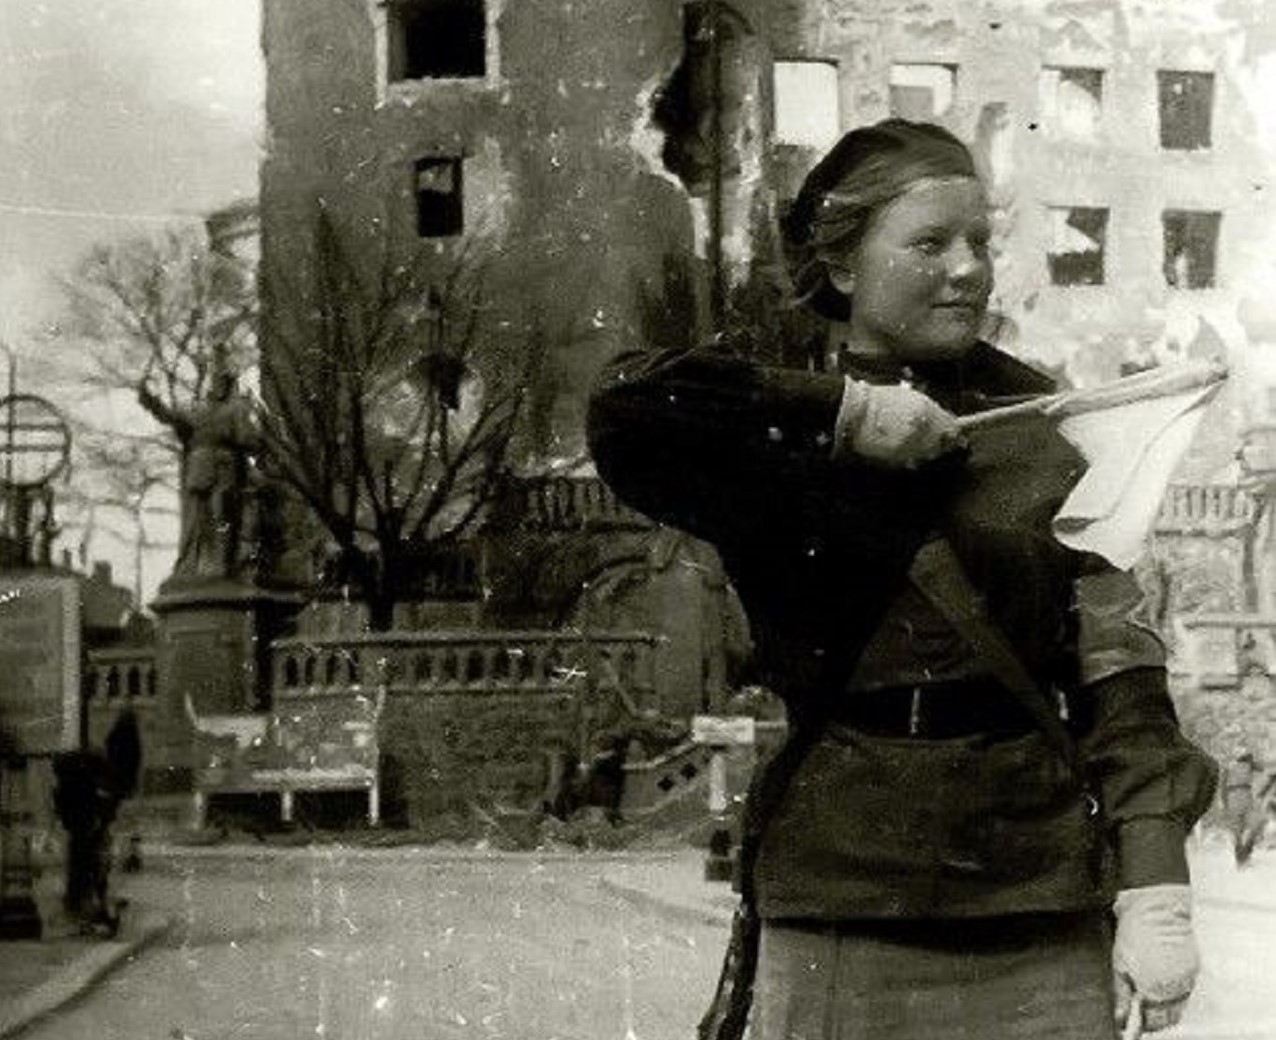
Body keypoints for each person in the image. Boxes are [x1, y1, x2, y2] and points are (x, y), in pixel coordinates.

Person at [586, 119, 1218, 1039]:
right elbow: (621, 406)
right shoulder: (773, 433)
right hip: (844, 899)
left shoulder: (1049, 429)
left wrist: (1156, 885)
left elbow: (1117, 668)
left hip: (1036, 903)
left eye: (980, 243)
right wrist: (842, 414)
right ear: (843, 269)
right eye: (930, 243)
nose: (968, 269)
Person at [138, 362, 259, 580]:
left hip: (222, 470)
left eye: (223, 381)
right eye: (216, 382)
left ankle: (220, 568)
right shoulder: (201, 411)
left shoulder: (232, 410)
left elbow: (248, 439)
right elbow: (171, 416)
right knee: (199, 520)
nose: (218, 386)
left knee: (220, 515)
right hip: (205, 469)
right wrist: (151, 401)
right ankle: (196, 566)